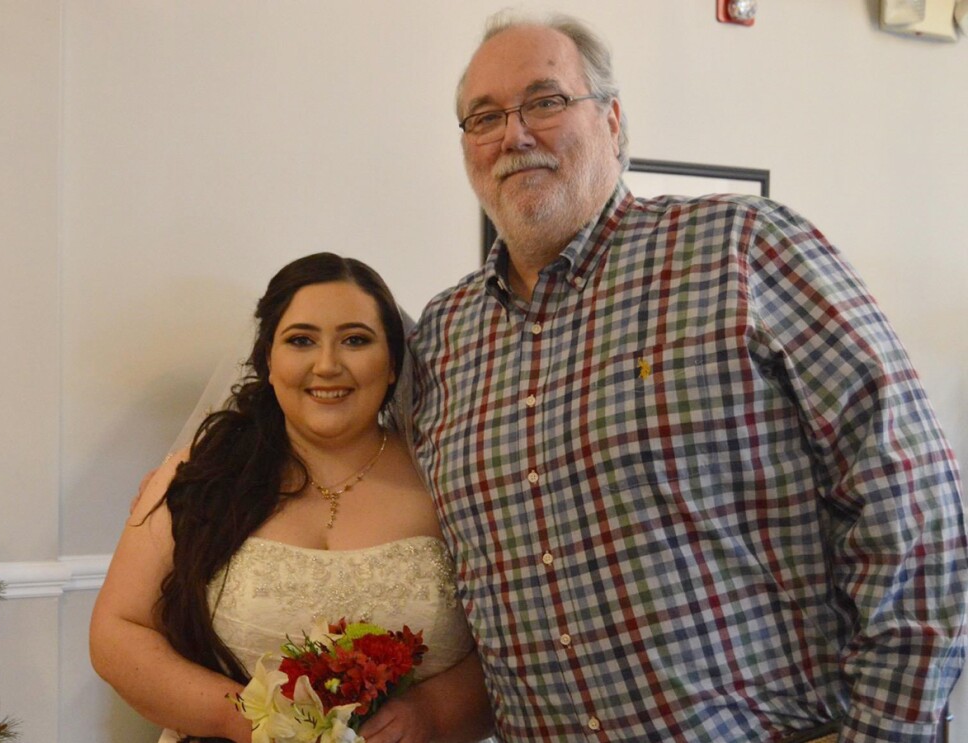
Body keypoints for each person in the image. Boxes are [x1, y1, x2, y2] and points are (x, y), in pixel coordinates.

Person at [408, 10, 967, 742]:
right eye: (484, 116)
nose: (513, 135)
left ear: (611, 119)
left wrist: (888, 732)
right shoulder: (444, 335)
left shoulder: (744, 250)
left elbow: (913, 505)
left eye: (545, 101)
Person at [91, 253, 494, 743]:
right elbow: (117, 631)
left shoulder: (449, 474)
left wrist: (429, 713)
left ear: (392, 364)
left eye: (355, 340)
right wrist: (241, 720)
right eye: (301, 340)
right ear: (267, 359)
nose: (327, 365)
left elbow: (512, 637)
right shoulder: (200, 475)